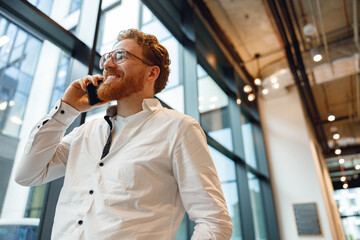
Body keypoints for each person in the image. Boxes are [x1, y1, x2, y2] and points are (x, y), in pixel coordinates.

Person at [15, 29, 232, 239]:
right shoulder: (87, 132)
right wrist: (66, 109)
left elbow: (214, 221)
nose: (108, 65)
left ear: (152, 72)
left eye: (120, 56)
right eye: (108, 58)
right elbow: (27, 175)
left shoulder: (179, 128)